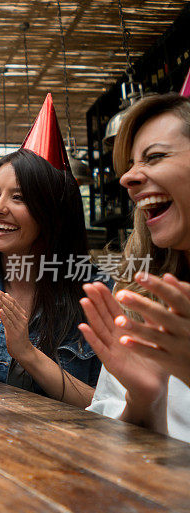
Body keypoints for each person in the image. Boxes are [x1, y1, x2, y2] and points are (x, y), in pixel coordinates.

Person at [0, 149, 102, 408]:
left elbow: (106, 406)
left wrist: (26, 352)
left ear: (51, 213)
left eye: (19, 197)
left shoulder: (94, 293)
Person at [81, 94, 190, 442]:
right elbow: (111, 447)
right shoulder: (136, 296)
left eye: (155, 156)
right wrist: (146, 400)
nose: (127, 178)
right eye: (129, 164)